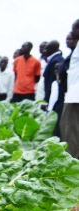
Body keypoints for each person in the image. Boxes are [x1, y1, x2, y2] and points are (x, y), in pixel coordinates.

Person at [61, 19, 79, 158]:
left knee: (70, 131)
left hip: (75, 96)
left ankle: (72, 169)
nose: (72, 33)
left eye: (73, 29)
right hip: (73, 94)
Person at [54, 32, 77, 138]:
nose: (68, 41)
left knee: (71, 130)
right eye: (67, 39)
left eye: (71, 39)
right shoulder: (70, 57)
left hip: (72, 97)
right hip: (65, 96)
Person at [43, 41, 64, 105]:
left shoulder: (55, 61)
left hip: (53, 96)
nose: (45, 51)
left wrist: (46, 100)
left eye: (46, 49)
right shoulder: (54, 59)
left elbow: (52, 82)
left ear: (51, 49)